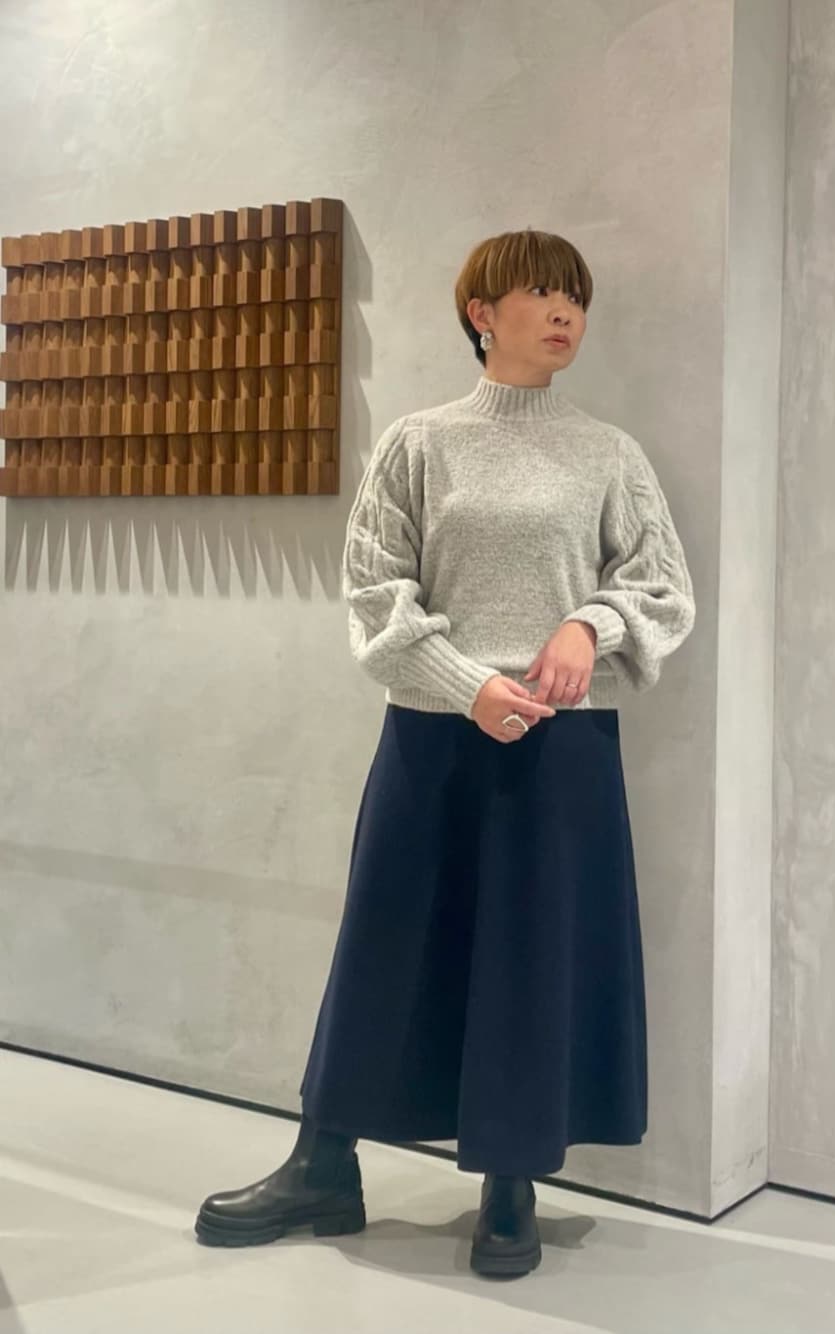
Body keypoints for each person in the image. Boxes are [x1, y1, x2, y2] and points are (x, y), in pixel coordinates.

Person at [194, 229, 696, 1279]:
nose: (563, 313)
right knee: (386, 940)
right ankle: (324, 1163)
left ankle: (510, 1181)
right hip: (433, 735)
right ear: (481, 312)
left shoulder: (607, 453)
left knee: (530, 957)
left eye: (576, 297)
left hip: (560, 747)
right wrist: (469, 685)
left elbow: (662, 587)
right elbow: (375, 594)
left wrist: (588, 625)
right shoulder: (419, 444)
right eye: (541, 292)